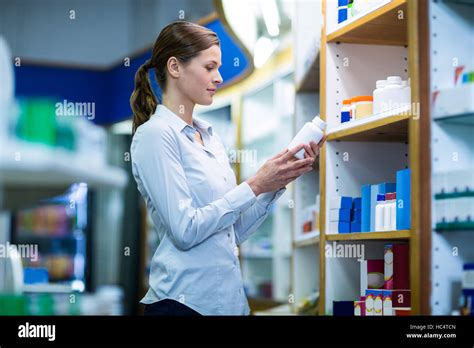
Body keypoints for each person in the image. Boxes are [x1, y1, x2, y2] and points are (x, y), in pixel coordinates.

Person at [130, 21, 325, 316]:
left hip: (230, 304)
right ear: (174, 67)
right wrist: (256, 184)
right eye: (209, 67)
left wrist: (278, 180)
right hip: (182, 306)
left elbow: (231, 233)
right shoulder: (155, 136)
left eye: (218, 68)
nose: (219, 77)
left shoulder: (210, 137)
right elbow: (185, 230)